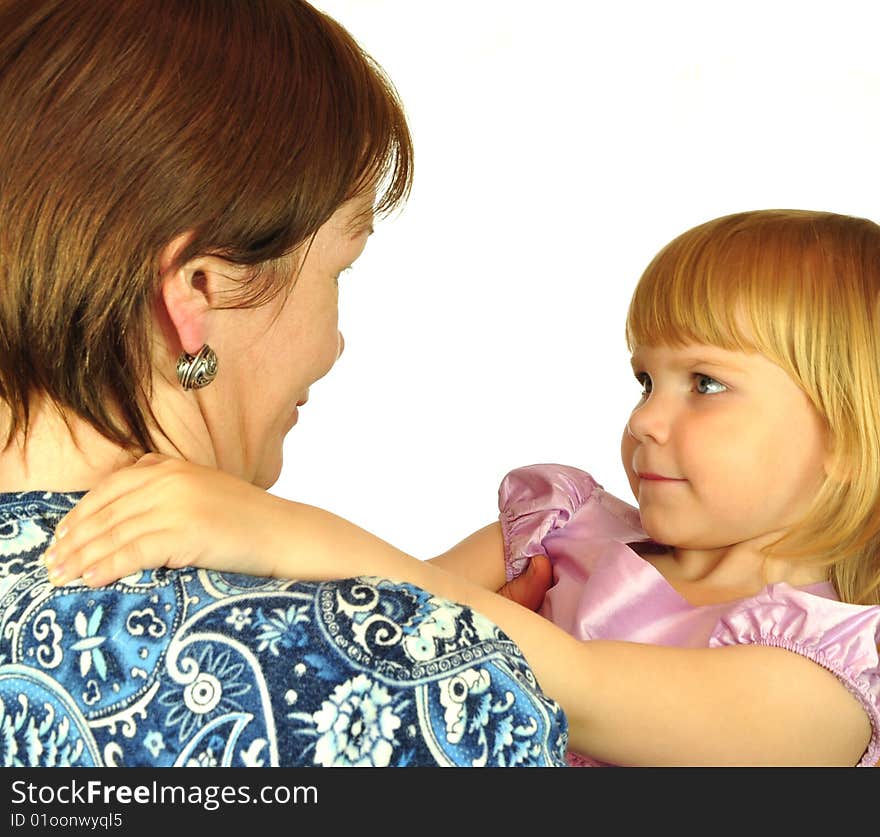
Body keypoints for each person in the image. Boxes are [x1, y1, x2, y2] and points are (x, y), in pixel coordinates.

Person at [46, 208, 880, 767]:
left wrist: (283, 529)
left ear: (844, 436)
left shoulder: (827, 674)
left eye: (704, 383)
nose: (648, 421)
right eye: (642, 380)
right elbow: (364, 622)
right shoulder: (565, 529)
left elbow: (589, 688)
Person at [0, 0, 570, 767]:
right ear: (197, 291)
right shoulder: (397, 695)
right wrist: (463, 664)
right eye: (339, 269)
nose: (333, 342)